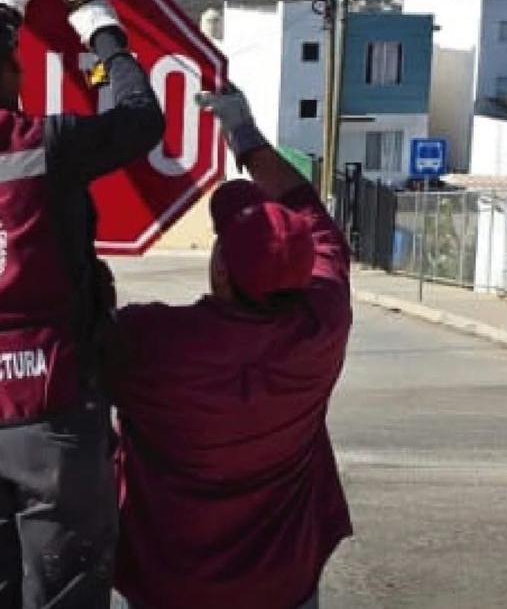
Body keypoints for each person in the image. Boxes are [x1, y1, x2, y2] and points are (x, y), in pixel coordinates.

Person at [0, 0, 165, 609]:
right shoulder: (42, 144)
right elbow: (140, 119)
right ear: (4, 71)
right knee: (65, 591)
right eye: (14, 61)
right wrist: (104, 36)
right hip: (50, 417)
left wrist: (6, 16)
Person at [106, 84, 353, 609]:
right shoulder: (321, 324)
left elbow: (75, 322)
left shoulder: (151, 341)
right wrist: (246, 134)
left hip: (170, 586)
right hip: (283, 586)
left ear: (221, 268)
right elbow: (314, 215)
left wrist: (243, 137)